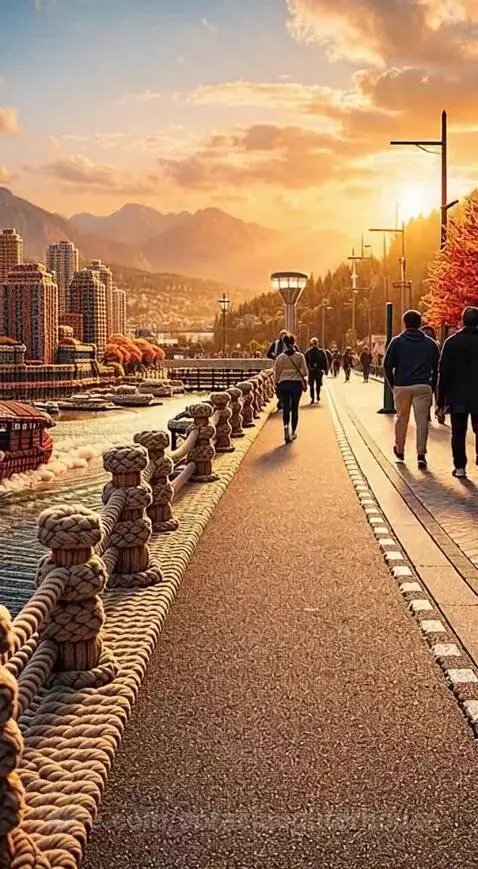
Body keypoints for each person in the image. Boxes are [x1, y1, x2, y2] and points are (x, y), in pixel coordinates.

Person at [384, 309, 440, 469]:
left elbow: (387, 364)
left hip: (401, 385)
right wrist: (432, 385)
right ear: (420, 324)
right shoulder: (431, 344)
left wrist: (393, 383)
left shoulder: (396, 342)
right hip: (423, 385)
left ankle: (400, 450)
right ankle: (421, 455)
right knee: (422, 420)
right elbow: (437, 367)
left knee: (401, 417)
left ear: (404, 323)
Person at [436, 306, 478, 478]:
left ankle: (460, 467)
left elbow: (444, 372)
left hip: (457, 395)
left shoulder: (451, 342)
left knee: (458, 432)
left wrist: (440, 401)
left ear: (462, 321)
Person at [274, 334, 308, 443]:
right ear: (294, 343)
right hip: (296, 384)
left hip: (283, 384)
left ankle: (285, 427)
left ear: (284, 344)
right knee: (294, 408)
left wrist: (277, 384)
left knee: (286, 408)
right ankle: (293, 431)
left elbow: (276, 373)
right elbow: (304, 372)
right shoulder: (300, 356)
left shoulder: (280, 358)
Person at [305, 337, 329, 404]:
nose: (315, 344)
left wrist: (326, 369)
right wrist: (326, 369)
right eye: (314, 343)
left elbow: (325, 361)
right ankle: (315, 397)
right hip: (316, 371)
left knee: (314, 385)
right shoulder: (320, 352)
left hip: (314, 371)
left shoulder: (309, 352)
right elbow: (325, 361)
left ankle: (315, 397)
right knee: (314, 385)